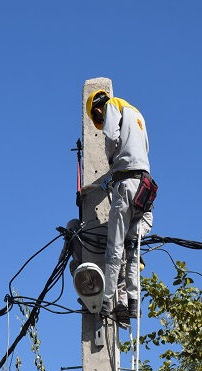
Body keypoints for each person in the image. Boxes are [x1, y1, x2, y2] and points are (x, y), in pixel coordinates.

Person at [86, 89, 155, 323]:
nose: (101, 122)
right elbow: (141, 150)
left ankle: (107, 301)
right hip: (144, 184)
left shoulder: (112, 106)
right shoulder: (137, 114)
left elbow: (112, 138)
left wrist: (110, 158)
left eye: (98, 119)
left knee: (114, 247)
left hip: (125, 185)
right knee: (132, 247)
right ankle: (133, 303)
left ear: (97, 109)